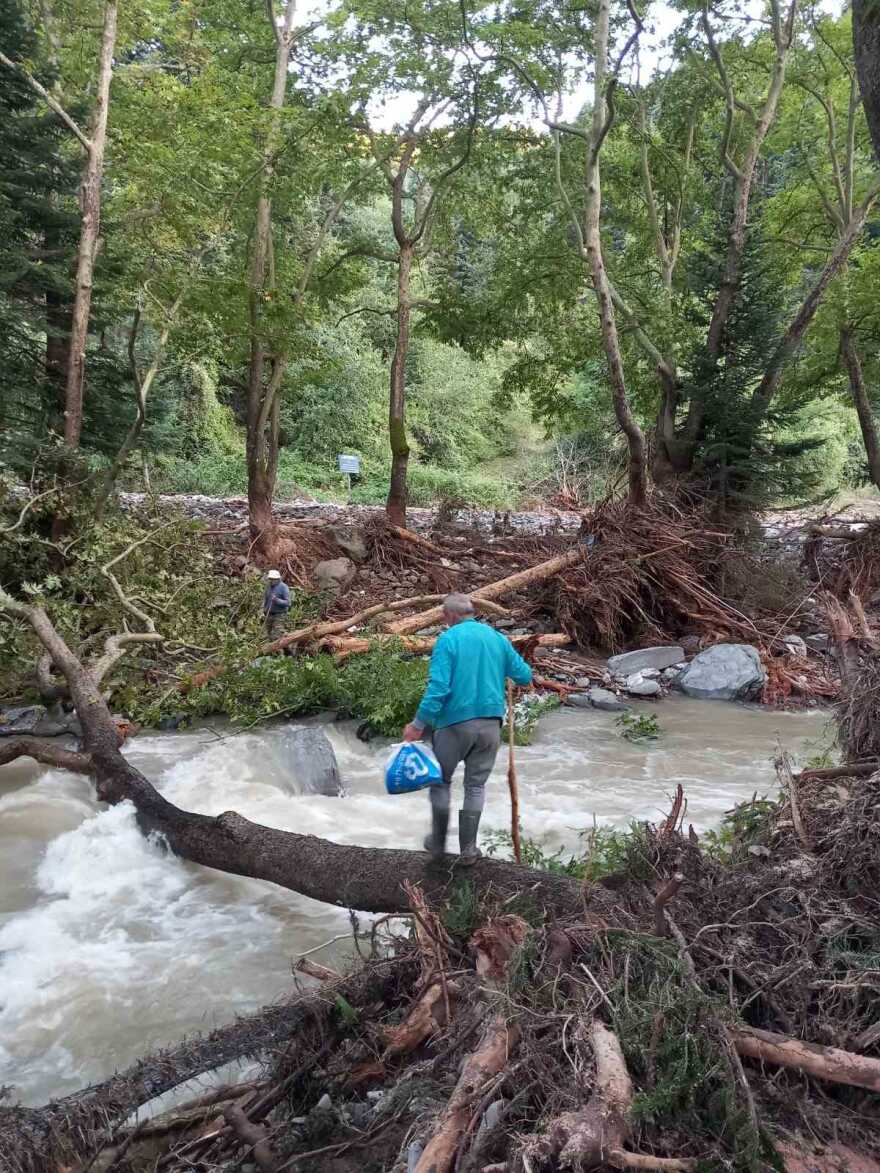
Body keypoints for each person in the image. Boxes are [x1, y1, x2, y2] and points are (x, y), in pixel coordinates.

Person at [402, 593, 533, 865]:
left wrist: (418, 725)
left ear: (449, 615)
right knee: (475, 787)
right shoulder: (497, 638)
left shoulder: (448, 640)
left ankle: (437, 845)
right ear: (471, 612)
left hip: (454, 726)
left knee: (440, 781)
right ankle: (468, 851)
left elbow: (438, 689)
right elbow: (524, 676)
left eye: (443, 616)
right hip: (491, 726)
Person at [263, 569, 291, 640]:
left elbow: (288, 603)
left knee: (276, 635)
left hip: (279, 615)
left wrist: (277, 600)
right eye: (270, 579)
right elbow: (266, 598)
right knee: (268, 635)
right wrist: (264, 609)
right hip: (269, 614)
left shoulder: (284, 587)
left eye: (272, 579)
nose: (271, 581)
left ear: (277, 579)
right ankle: (276, 649)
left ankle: (285, 646)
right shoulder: (269, 587)